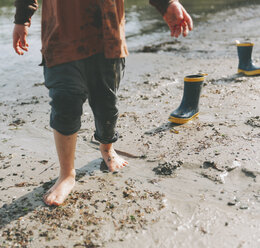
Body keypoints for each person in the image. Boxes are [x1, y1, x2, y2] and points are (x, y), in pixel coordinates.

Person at [12, 0, 193, 206]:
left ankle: (107, 148)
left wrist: (167, 3)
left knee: (106, 105)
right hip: (61, 36)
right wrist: (22, 20)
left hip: (107, 34)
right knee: (64, 103)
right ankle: (66, 174)